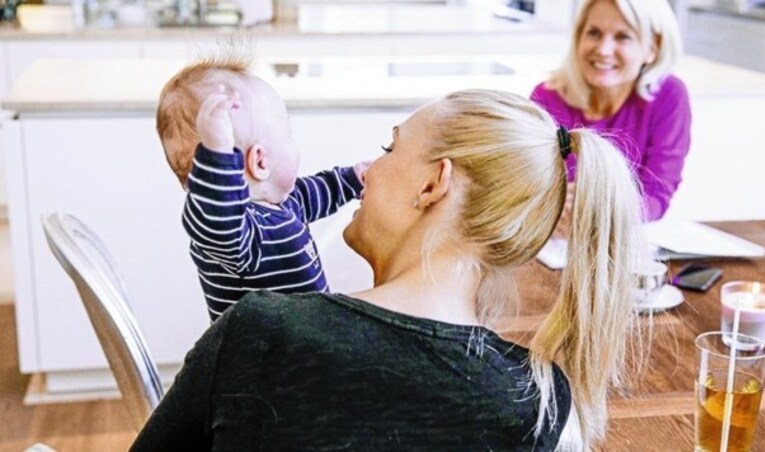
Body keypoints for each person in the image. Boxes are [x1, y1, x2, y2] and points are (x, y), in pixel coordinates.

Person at [132, 89, 646, 451]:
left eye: (389, 147)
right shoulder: (542, 403)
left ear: (433, 185)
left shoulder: (260, 332)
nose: (370, 168)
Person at [156, 57, 368, 321]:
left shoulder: (282, 205)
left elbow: (311, 193)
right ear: (260, 161)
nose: (293, 142)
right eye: (288, 136)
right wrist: (218, 153)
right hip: (265, 360)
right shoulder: (241, 236)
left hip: (308, 346)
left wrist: (350, 179)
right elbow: (214, 220)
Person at [531, 0, 690, 224]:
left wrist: (600, 210)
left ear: (652, 49)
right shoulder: (547, 97)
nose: (604, 50)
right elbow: (526, 187)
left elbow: (657, 195)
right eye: (594, 33)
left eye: (623, 37)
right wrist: (550, 207)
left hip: (619, 239)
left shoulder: (668, 95)